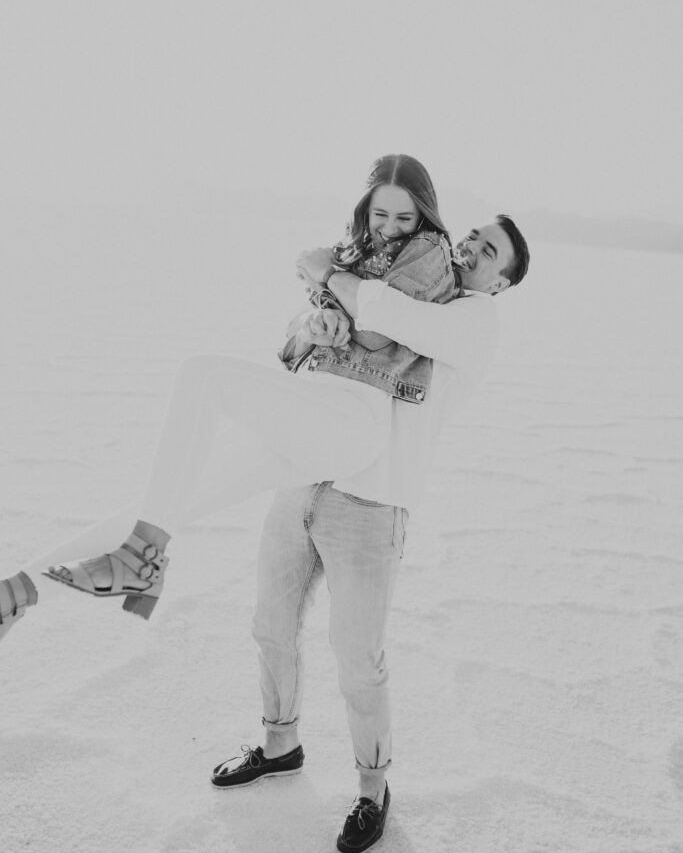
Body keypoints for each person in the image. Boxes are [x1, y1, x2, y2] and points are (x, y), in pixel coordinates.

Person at [0, 155, 457, 629]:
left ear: (424, 214)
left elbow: (381, 334)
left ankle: (139, 560)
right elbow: (293, 344)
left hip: (350, 420)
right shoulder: (356, 252)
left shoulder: (428, 251)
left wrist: (326, 277)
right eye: (379, 215)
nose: (389, 228)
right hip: (310, 410)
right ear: (365, 210)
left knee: (204, 375)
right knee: (167, 502)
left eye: (404, 217)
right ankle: (18, 591)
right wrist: (313, 325)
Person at [211, 214, 530, 853]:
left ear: (501, 283)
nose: (469, 246)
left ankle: (372, 786)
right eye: (471, 235)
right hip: (302, 477)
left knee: (359, 660)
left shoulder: (472, 319)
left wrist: (326, 267)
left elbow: (389, 315)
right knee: (270, 626)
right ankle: (280, 744)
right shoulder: (400, 281)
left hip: (372, 502)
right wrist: (312, 321)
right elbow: (308, 342)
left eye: (488, 251)